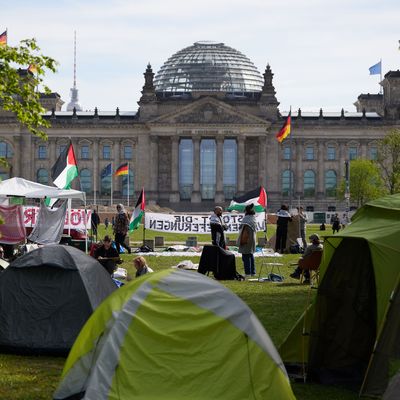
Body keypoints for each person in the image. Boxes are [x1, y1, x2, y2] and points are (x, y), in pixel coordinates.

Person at [237, 204, 257, 277]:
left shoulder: (246, 219)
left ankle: (247, 273)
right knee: (250, 255)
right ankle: (253, 272)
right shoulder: (253, 219)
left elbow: (241, 228)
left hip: (246, 240)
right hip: (252, 239)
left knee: (245, 256)